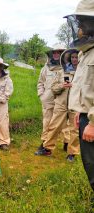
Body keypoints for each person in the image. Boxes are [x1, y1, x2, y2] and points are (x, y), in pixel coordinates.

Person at [65, 0, 94, 190]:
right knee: (90, 166)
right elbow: (86, 87)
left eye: (84, 22)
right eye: (80, 22)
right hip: (86, 115)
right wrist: (80, 111)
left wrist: (92, 122)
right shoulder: (86, 53)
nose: (80, 28)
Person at [41, 49, 80, 161]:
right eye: (72, 57)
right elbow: (53, 88)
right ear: (69, 58)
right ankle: (47, 148)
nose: (74, 59)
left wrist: (75, 86)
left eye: (76, 57)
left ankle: (72, 153)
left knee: (74, 130)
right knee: (54, 125)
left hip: (76, 105)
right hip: (61, 104)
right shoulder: (62, 72)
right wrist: (62, 86)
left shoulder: (83, 72)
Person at [35, 44, 66, 155]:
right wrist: (41, 95)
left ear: (63, 53)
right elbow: (40, 83)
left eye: (59, 52)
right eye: (55, 52)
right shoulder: (46, 68)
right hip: (47, 100)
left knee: (63, 123)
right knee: (47, 122)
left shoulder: (67, 67)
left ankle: (67, 142)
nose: (56, 54)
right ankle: (44, 143)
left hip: (62, 99)